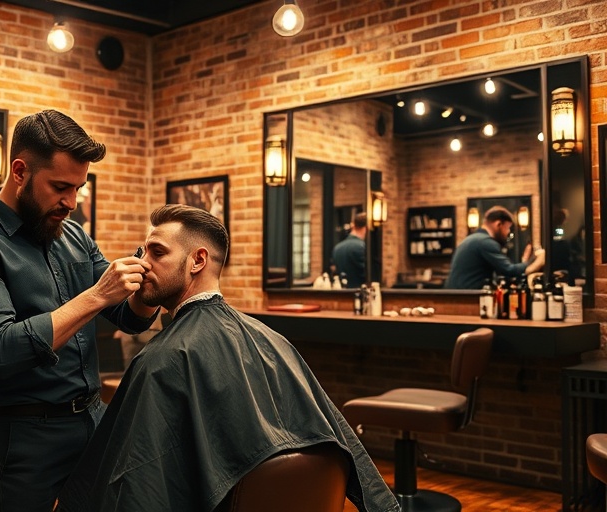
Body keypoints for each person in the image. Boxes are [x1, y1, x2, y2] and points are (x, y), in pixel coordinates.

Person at [57, 204, 399, 512]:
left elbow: (138, 482)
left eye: (157, 252)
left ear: (198, 260)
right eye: (143, 251)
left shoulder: (162, 359)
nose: (143, 263)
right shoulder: (271, 340)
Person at [0, 110, 159, 512]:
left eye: (78, 189)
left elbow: (128, 317)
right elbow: (2, 348)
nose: (70, 202)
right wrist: (96, 295)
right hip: (24, 434)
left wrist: (152, 281)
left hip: (92, 418)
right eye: (60, 187)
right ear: (20, 171)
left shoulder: (73, 236)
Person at [444, 205, 545, 289]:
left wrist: (525, 262)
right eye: (508, 228)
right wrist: (537, 260)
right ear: (499, 224)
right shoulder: (485, 242)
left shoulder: (473, 239)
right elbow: (509, 270)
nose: (508, 233)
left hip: (456, 296)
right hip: (466, 299)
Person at [331, 212, 367, 287]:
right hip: (360, 290)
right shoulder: (362, 247)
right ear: (365, 228)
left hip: (342, 292)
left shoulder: (337, 248)